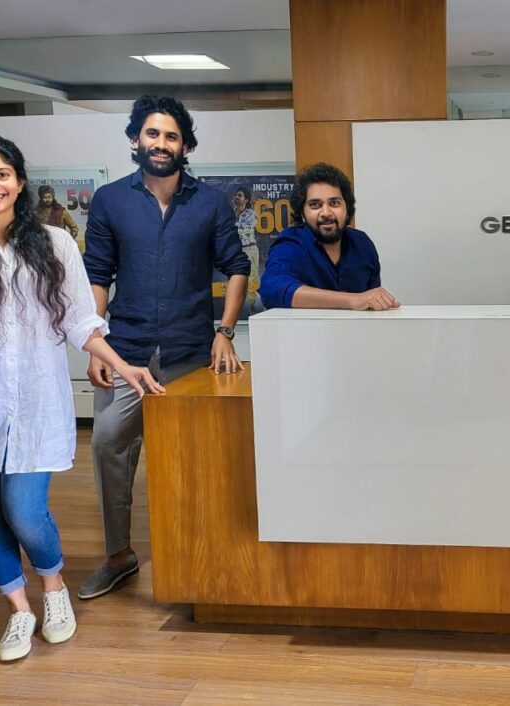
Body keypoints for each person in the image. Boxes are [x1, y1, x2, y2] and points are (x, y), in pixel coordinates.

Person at [0, 133, 163, 662]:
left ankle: (53, 589)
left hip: (36, 399)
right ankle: (18, 610)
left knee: (24, 511)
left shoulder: (54, 243)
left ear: (20, 181)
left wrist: (122, 365)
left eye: (1, 174)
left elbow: (79, 321)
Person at [79, 95, 250, 600]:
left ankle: (199, 561)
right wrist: (94, 343)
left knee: (194, 459)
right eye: (152, 134)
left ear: (185, 146)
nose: (160, 143)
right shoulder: (110, 200)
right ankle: (119, 557)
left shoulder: (210, 202)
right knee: (108, 446)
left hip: (190, 352)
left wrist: (225, 331)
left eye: (171, 136)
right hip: (126, 349)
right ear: (135, 139)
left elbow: (237, 267)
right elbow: (97, 275)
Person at [259, 162, 399, 310]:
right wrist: (353, 300)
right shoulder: (291, 244)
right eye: (315, 205)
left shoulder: (362, 244)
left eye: (334, 203)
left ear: (347, 208)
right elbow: (271, 290)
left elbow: (371, 302)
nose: (326, 213)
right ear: (302, 213)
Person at [232, 185, 260, 313]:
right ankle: (241, 303)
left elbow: (244, 228)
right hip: (239, 250)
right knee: (240, 276)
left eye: (240, 195)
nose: (237, 197)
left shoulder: (251, 214)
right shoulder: (230, 213)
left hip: (251, 248)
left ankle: (252, 302)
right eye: (236, 195)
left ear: (246, 199)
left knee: (254, 276)